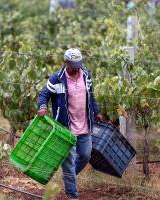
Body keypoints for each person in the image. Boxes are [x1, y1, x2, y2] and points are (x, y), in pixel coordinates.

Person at [37, 48, 102, 198]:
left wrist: (96, 112)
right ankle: (72, 194)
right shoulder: (56, 79)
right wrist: (42, 106)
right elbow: (44, 95)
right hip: (66, 127)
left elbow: (91, 97)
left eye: (78, 64)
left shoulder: (86, 76)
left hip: (85, 125)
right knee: (69, 161)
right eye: (73, 64)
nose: (76, 67)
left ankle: (68, 177)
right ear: (66, 62)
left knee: (85, 156)